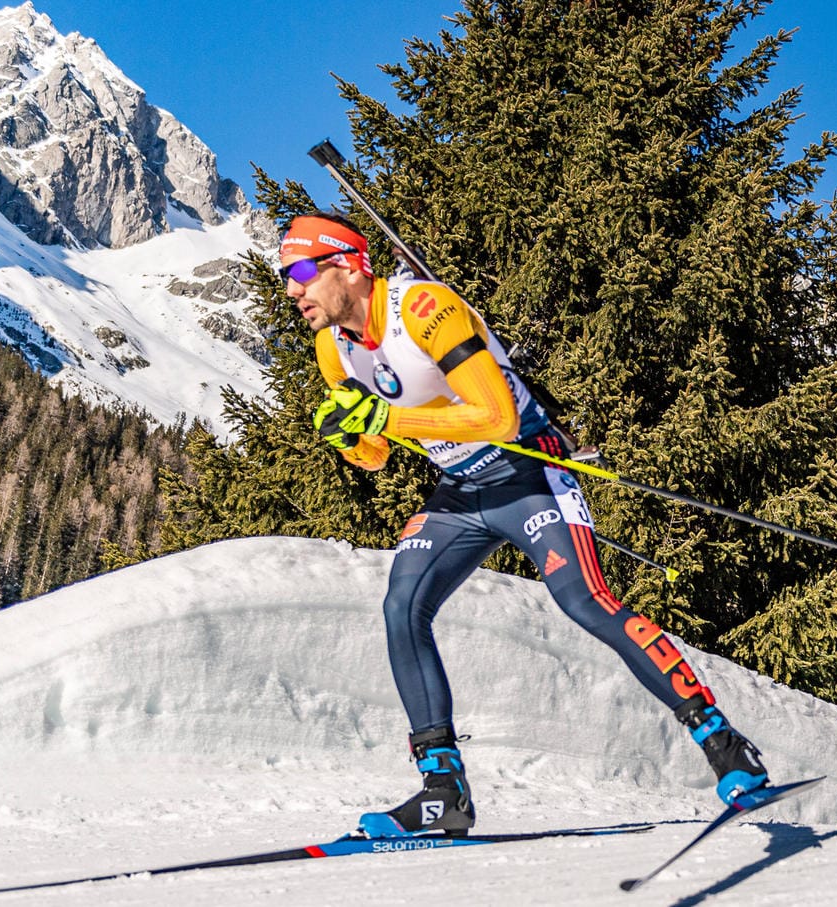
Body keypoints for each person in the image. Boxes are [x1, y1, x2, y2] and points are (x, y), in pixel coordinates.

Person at [278, 212, 769, 838]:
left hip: (528, 476)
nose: (292, 290)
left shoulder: (425, 308)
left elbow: (497, 416)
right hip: (459, 491)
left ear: (348, 265)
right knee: (402, 606)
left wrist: (387, 422)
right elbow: (373, 451)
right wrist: (349, 436)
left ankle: (723, 743)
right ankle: (443, 791)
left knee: (584, 603)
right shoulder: (332, 347)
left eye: (299, 272)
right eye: (284, 277)